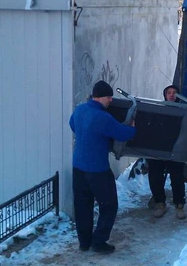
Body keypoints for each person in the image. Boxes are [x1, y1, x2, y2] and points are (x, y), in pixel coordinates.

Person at [69, 80, 136, 254]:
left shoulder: (80, 110)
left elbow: (72, 125)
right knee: (109, 205)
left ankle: (84, 242)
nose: (111, 101)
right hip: (97, 170)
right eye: (109, 98)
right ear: (102, 97)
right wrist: (132, 128)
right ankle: (98, 242)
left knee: (82, 205)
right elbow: (122, 133)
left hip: (78, 167)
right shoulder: (102, 117)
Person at [146, 84, 187, 220]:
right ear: (165, 95)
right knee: (155, 175)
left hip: (176, 151)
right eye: (169, 92)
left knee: (177, 177)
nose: (171, 95)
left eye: (175, 92)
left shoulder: (184, 111)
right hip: (159, 149)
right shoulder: (158, 109)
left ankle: (179, 205)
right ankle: (160, 203)